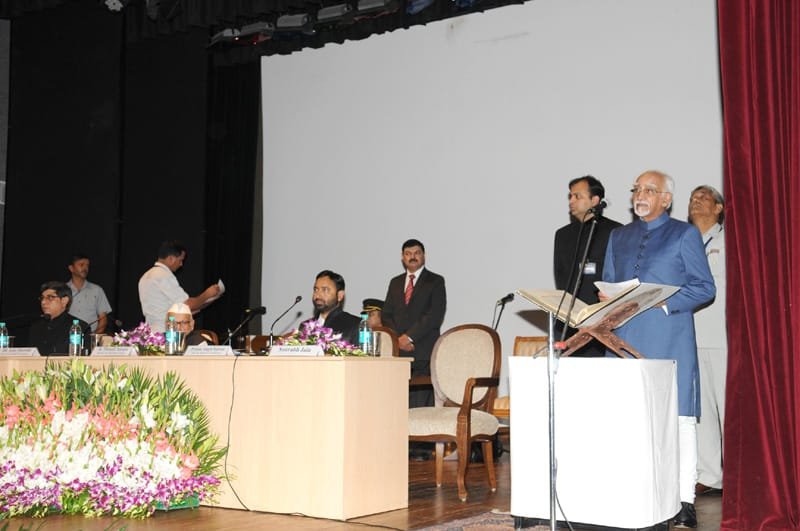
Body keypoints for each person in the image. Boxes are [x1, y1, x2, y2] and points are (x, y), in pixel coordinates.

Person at [602, 170, 715, 529]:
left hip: (669, 337)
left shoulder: (685, 234)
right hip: (623, 339)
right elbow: (606, 285)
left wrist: (662, 303)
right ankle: (630, 491)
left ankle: (684, 500)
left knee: (680, 419)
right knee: (627, 419)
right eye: (637, 188)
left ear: (666, 199)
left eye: (650, 190)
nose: (641, 194)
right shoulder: (617, 235)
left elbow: (704, 288)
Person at [553, 175, 622, 356]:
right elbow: (561, 277)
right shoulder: (562, 235)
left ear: (595, 200)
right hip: (569, 321)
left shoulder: (616, 232)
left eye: (577, 196)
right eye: (570, 196)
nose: (571, 201)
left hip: (602, 321)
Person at [688, 185, 727, 497]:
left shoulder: (727, 241)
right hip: (690, 335)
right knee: (701, 410)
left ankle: (738, 473)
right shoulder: (684, 242)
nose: (695, 200)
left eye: (703, 197)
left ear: (718, 208)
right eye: (692, 197)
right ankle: (711, 474)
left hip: (723, 336)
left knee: (727, 405)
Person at [382, 239, 447, 408]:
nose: (412, 257)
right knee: (397, 404)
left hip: (423, 351)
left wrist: (409, 338)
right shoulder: (395, 282)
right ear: (402, 258)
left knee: (420, 406)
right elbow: (386, 315)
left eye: (417, 253)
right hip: (398, 353)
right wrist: (397, 339)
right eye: (408, 254)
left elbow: (434, 316)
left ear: (424, 256)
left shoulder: (436, 281)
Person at [138, 240, 222, 333]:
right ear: (171, 259)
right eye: (181, 260)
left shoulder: (145, 276)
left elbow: (185, 309)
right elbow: (186, 305)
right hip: (166, 333)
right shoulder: (163, 275)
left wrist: (209, 300)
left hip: (151, 333)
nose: (181, 264)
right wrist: (207, 294)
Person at [298, 270, 360, 345]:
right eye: (316, 289)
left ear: (340, 295)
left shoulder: (355, 324)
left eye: (325, 290)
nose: (317, 295)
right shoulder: (305, 326)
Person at [29, 281, 91, 355]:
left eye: (50, 297)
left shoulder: (80, 327)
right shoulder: (36, 327)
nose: (43, 302)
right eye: (42, 298)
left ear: (64, 301)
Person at [66, 253, 113, 334]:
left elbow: (103, 318)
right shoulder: (63, 290)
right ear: (71, 268)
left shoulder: (97, 290)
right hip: (67, 339)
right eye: (81, 265)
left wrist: (94, 338)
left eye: (87, 265)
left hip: (91, 337)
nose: (85, 268)